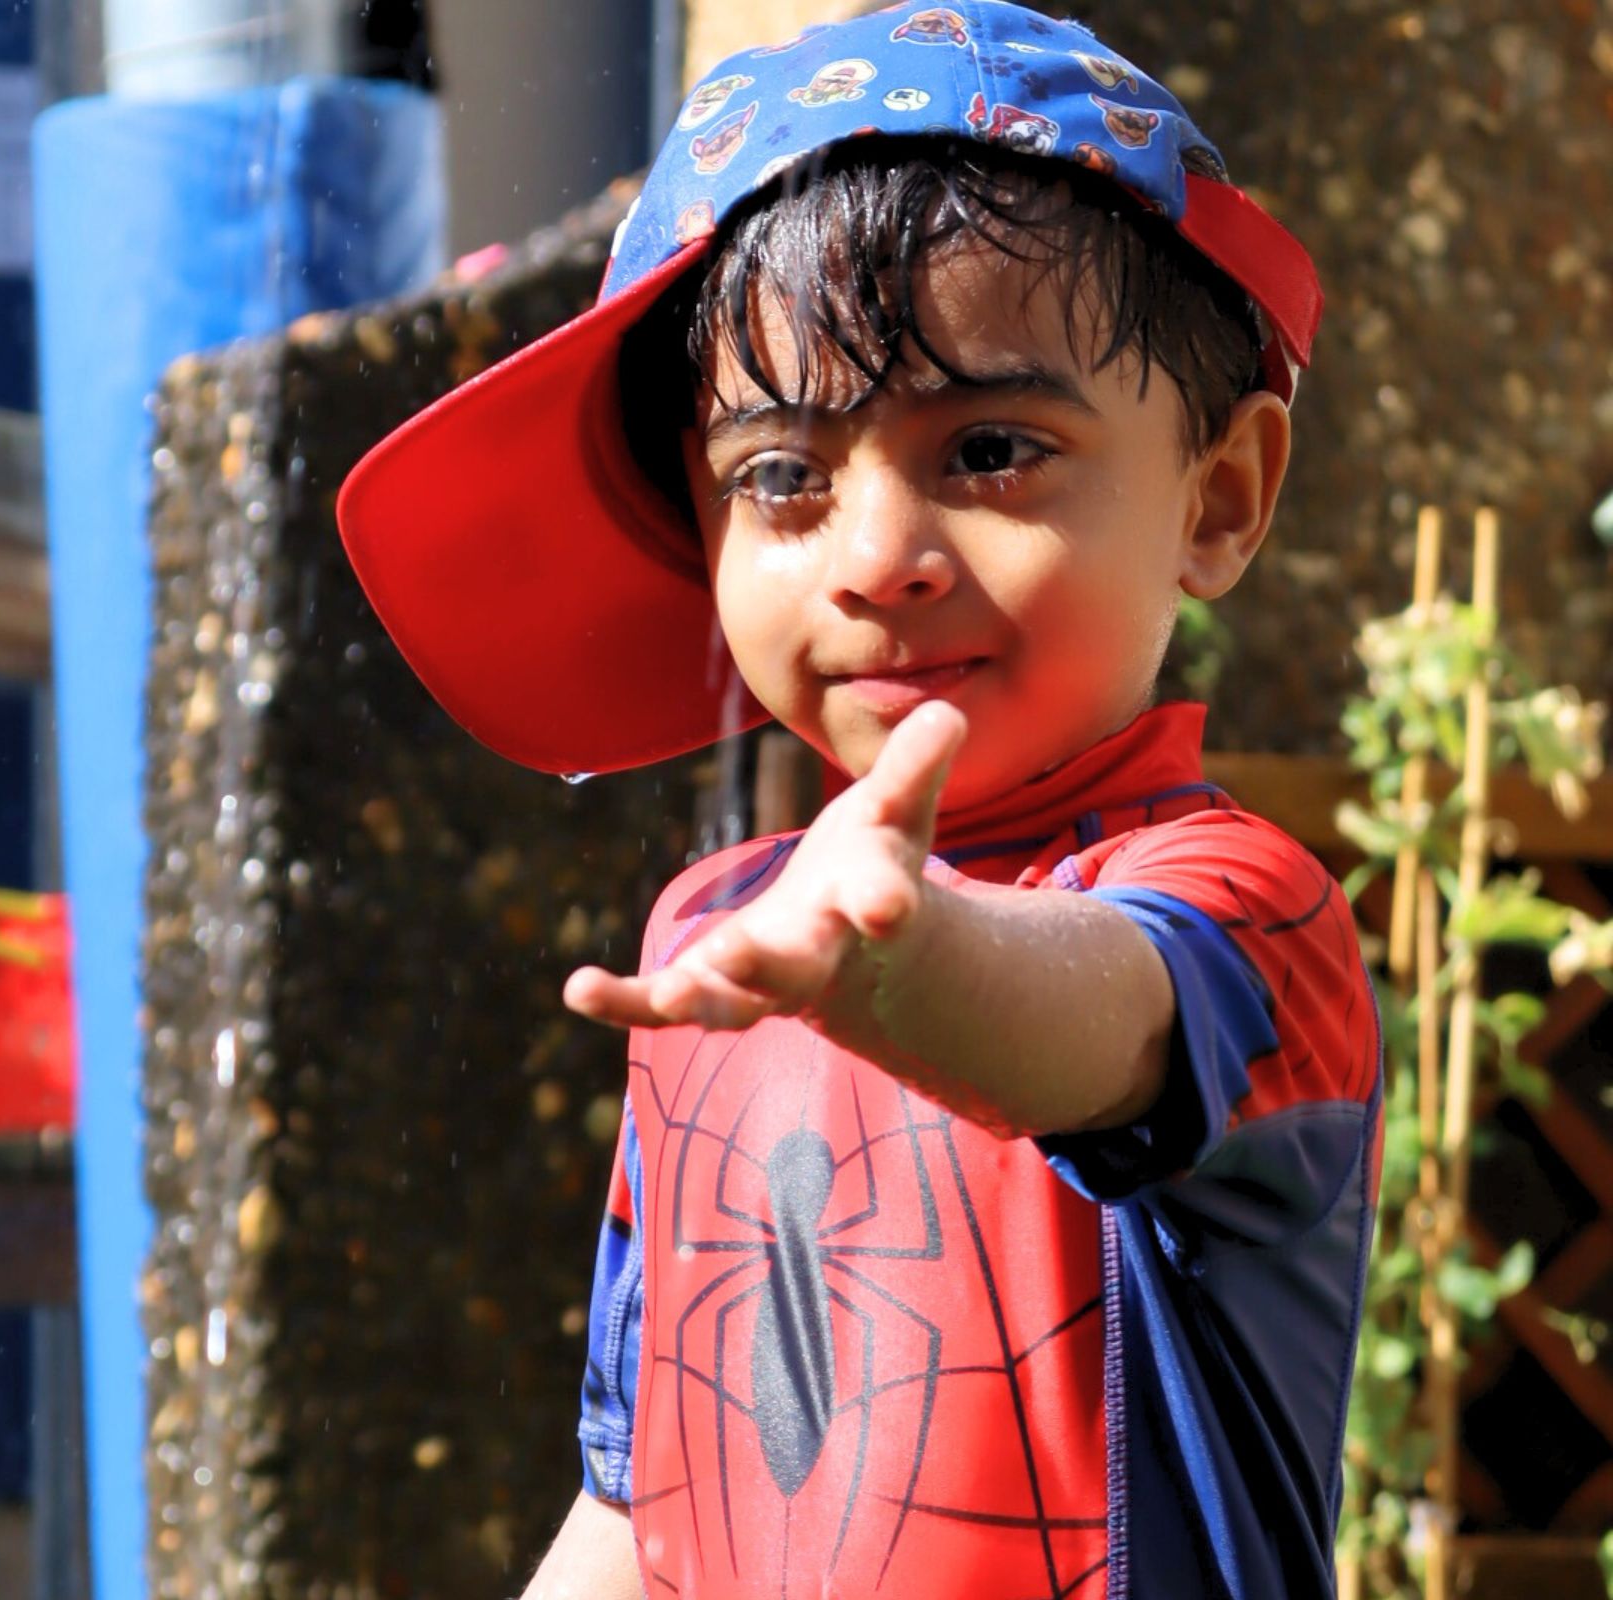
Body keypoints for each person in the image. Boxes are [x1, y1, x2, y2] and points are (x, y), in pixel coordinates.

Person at [335, 4, 1377, 1598]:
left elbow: (1100, 1021)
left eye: (993, 447)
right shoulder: (712, 936)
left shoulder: (1242, 908)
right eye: (780, 478)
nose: (874, 554)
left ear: (1218, 498)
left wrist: (907, 958)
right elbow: (638, 1495)